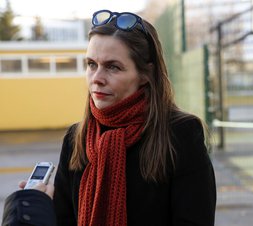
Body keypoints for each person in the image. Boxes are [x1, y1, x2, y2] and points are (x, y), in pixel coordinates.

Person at [53, 9, 216, 226]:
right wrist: (32, 207)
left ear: (145, 75)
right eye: (91, 64)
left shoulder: (181, 134)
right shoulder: (76, 138)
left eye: (113, 67)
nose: (97, 78)